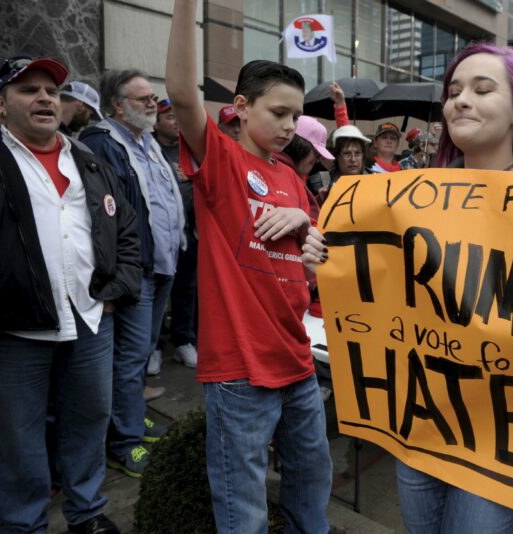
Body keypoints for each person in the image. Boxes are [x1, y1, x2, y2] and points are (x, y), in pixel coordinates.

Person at [304, 42, 513, 534]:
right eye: (454, 91)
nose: (461, 100)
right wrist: (327, 257)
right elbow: (378, 286)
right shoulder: (406, 198)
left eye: (482, 90)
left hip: (496, 438)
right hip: (417, 422)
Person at [166, 1, 333, 532]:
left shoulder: (292, 178)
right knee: (244, 506)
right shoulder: (219, 158)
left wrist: (307, 230)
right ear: (241, 106)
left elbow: (313, 263)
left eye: (295, 116)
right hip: (241, 368)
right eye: (278, 113)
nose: (289, 126)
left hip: (298, 359)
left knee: (312, 481)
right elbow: (181, 93)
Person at [0, 55, 141, 534]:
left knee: (90, 417)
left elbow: (127, 230)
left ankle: (87, 513)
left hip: (90, 317)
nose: (44, 99)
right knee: (17, 435)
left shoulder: (88, 160)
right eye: (28, 90)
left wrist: (117, 291)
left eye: (52, 91)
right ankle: (24, 524)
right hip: (15, 327)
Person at [80, 69, 187, 477]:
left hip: (161, 264)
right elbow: (106, 216)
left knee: (140, 355)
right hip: (134, 271)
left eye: (152, 97)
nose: (152, 103)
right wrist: (119, 273)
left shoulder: (147, 142)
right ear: (117, 106)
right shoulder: (101, 144)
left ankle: (131, 415)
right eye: (142, 98)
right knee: (129, 357)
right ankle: (123, 443)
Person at [153, 97, 198, 368]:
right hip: (159, 237)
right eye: (170, 117)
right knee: (158, 293)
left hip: (189, 235)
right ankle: (155, 346)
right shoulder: (149, 149)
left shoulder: (190, 149)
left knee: (186, 290)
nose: (176, 122)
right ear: (156, 122)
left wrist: (191, 177)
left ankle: (183, 341)